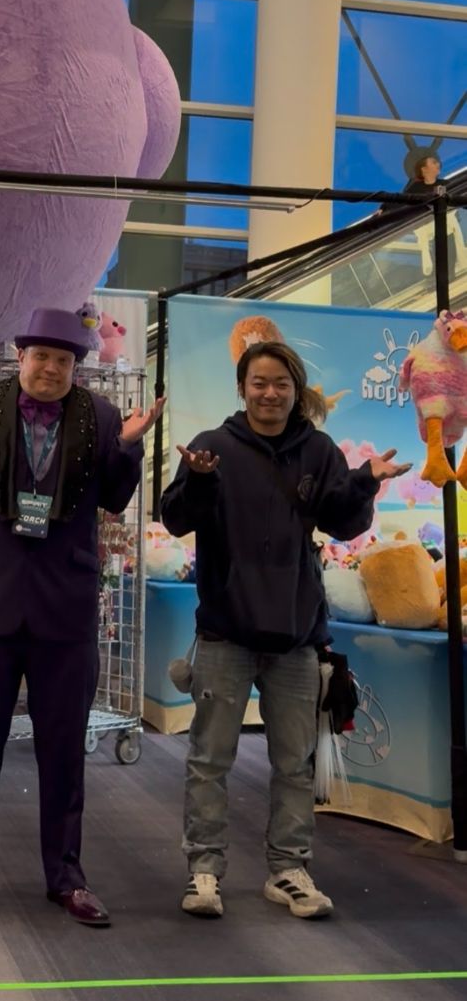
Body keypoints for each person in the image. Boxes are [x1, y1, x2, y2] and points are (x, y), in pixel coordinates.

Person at [0, 307, 163, 931]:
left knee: (63, 754)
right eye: (41, 357)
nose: (51, 368)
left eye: (63, 360)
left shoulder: (102, 416)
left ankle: (67, 877)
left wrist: (129, 448)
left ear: (75, 367)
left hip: (66, 606)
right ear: (20, 356)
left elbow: (115, 497)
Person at [160, 341, 409, 922]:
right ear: (242, 388)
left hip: (296, 635)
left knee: (295, 763)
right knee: (209, 758)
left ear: (296, 391)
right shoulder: (212, 447)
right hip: (225, 631)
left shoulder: (318, 451)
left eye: (280, 384)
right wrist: (200, 482)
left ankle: (289, 870)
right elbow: (176, 519)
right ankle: (204, 870)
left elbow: (342, 523)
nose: (269, 393)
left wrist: (365, 483)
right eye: (259, 382)